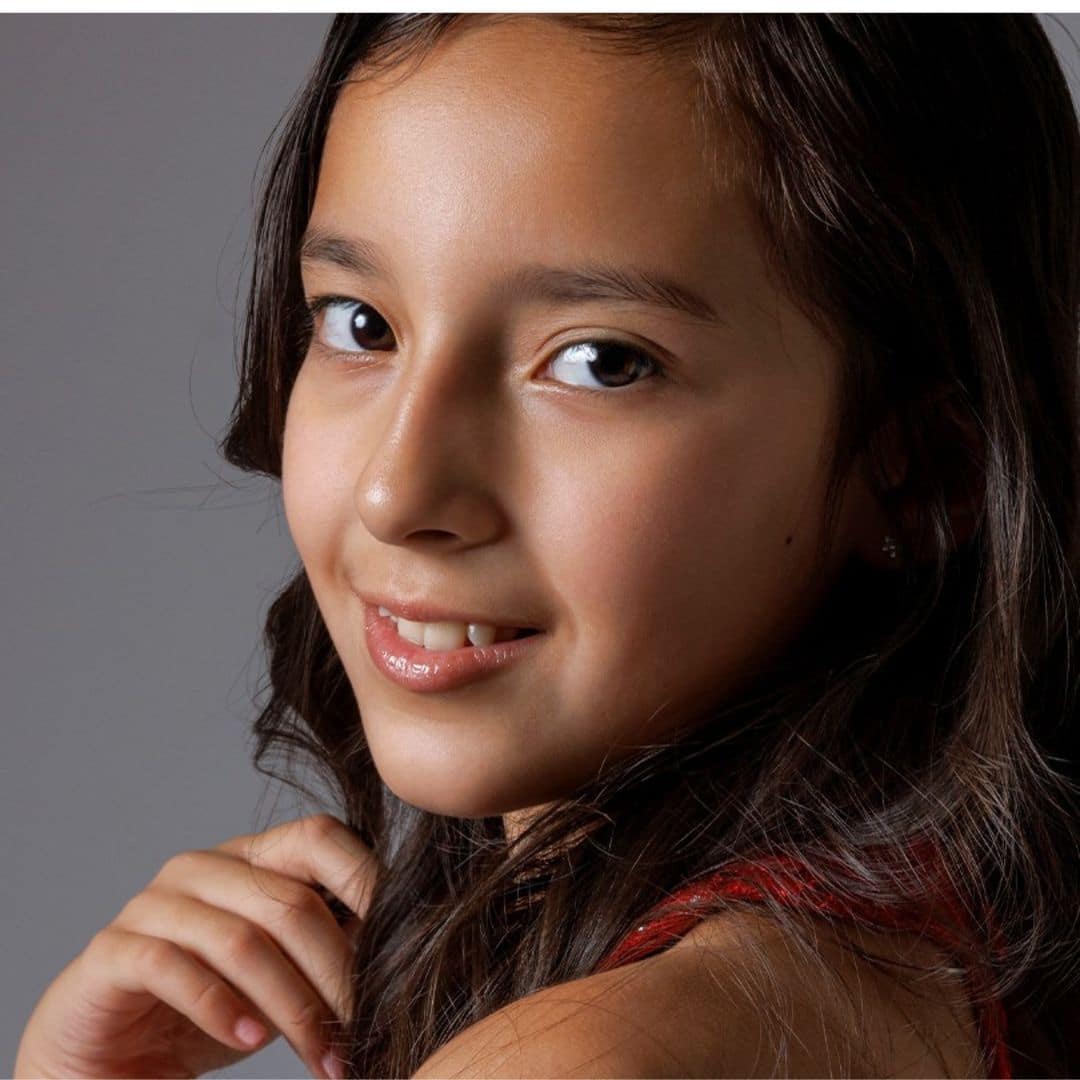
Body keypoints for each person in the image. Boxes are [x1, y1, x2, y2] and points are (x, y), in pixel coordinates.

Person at [14, 13, 1080, 1079]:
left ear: (920, 469)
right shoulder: (929, 973)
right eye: (360, 325)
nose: (397, 490)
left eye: (602, 362)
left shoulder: (599, 1057)